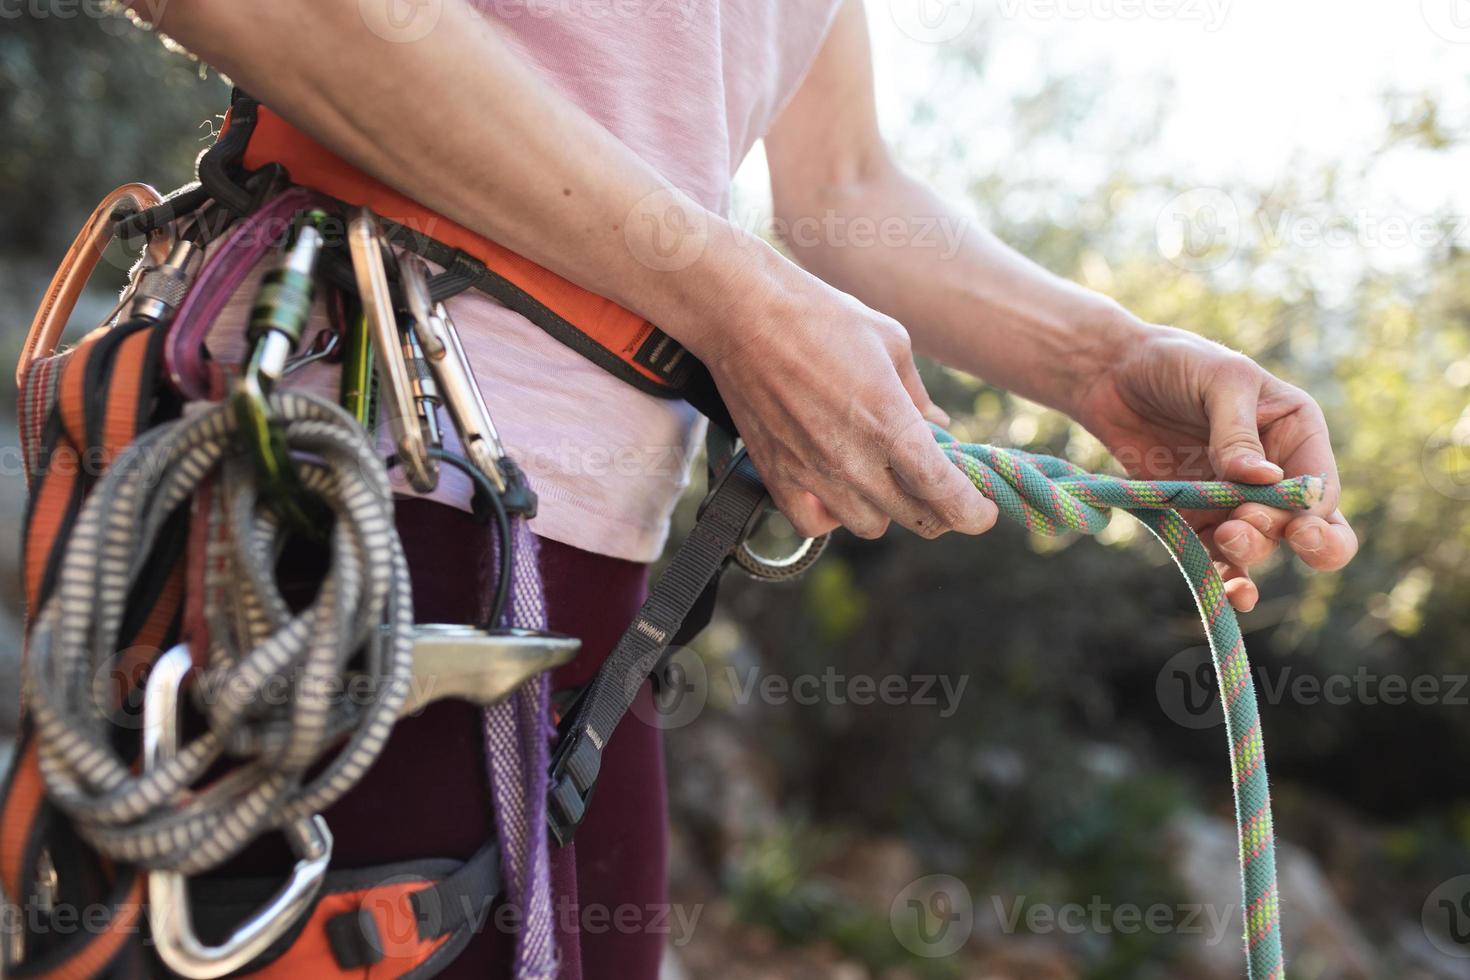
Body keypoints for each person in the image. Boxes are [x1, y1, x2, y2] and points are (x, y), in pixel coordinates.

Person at [129, 0, 1359, 976]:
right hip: (348, 498)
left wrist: (1102, 360)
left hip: (600, 596)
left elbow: (843, 189)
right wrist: (734, 300)